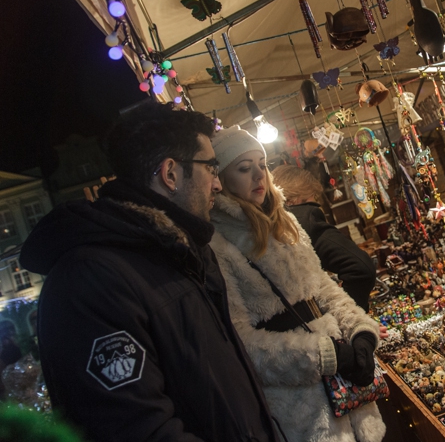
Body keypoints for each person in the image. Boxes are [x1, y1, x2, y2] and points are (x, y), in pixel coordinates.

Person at [19, 103, 279, 441]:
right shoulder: (90, 280)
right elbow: (134, 428)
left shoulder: (183, 251)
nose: (217, 185)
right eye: (211, 168)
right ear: (170, 174)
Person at [208, 126, 385, 442]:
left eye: (261, 165)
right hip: (301, 409)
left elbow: (323, 287)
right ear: (221, 178)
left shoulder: (285, 221)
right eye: (244, 169)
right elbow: (243, 343)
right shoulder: (218, 246)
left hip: (348, 393)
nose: (258, 176)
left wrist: (360, 330)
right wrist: (323, 355)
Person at [271, 165, 376, 312]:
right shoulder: (304, 218)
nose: (314, 205)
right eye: (311, 199)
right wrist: (349, 316)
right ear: (293, 199)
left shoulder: (268, 229)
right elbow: (361, 268)